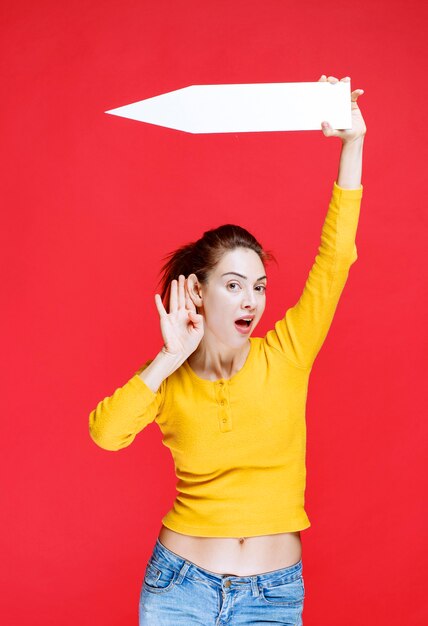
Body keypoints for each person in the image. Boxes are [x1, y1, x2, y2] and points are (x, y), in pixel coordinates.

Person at [89, 73, 366, 625]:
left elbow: (334, 261)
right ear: (197, 290)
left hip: (273, 596)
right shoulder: (166, 377)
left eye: (259, 286)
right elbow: (106, 433)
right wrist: (168, 356)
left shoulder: (287, 352)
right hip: (178, 590)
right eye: (234, 284)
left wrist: (352, 144)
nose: (252, 300)